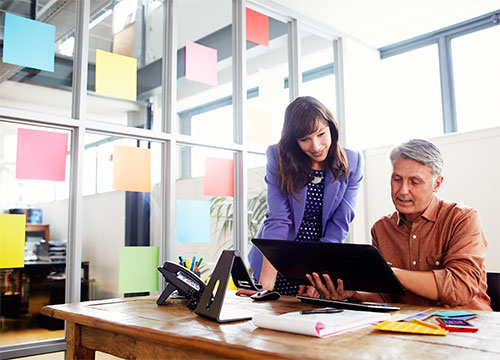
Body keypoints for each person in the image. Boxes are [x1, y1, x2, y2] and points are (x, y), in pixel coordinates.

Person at [307, 139, 492, 311]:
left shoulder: (463, 218)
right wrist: (354, 294)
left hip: (468, 329)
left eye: (414, 182)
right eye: (397, 179)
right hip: (409, 329)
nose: (403, 191)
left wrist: (387, 272)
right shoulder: (382, 228)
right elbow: (387, 296)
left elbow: (459, 289)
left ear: (437, 184)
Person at [244, 96, 363, 296]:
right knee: (269, 318)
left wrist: (318, 272)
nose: (315, 146)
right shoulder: (279, 156)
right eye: (304, 139)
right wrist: (265, 285)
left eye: (321, 134)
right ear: (294, 140)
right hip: (276, 260)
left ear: (331, 127)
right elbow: (279, 218)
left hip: (317, 263)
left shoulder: (353, 162)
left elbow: (339, 224)